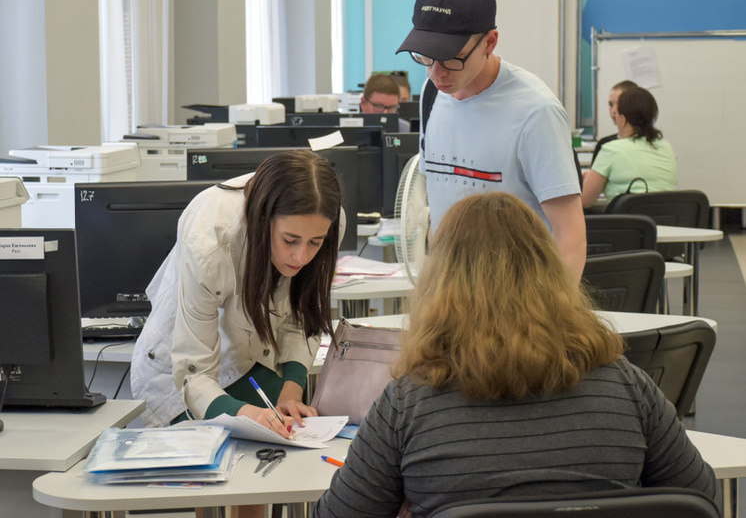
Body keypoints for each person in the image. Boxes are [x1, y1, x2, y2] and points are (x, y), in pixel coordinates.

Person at [313, 192, 716, 518]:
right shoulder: (623, 385)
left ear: (440, 281)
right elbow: (700, 498)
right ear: (550, 271)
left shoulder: (409, 403)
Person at [131, 149, 343, 433]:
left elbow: (301, 311)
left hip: (248, 360)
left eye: (314, 243)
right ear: (262, 219)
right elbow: (195, 374)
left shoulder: (325, 222)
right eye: (290, 240)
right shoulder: (210, 240)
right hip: (177, 375)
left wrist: (291, 391)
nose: (301, 257)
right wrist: (249, 415)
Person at [396, 0, 586, 282]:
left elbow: (570, 234)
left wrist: (553, 320)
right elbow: (440, 209)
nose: (436, 73)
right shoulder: (432, 95)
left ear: (490, 42)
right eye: (426, 58)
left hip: (520, 299)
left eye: (452, 59)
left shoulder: (536, 112)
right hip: (452, 296)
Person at [582, 86, 678, 208]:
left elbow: (584, 201)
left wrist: (590, 180)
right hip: (667, 224)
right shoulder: (666, 147)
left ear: (623, 119)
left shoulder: (611, 150)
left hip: (627, 226)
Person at [591, 80, 639, 164]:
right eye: (610, 104)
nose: (614, 110)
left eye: (620, 104)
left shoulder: (648, 144)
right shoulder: (604, 144)